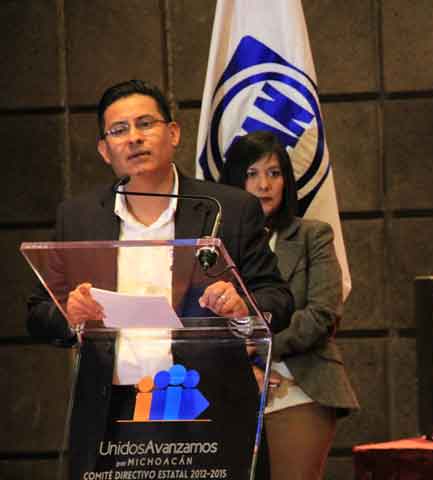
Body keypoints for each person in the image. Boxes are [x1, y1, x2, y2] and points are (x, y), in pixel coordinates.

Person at [26, 80, 291, 479]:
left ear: (174, 133)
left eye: (145, 124)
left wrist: (242, 305)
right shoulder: (78, 217)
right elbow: (38, 313)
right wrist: (68, 313)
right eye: (119, 130)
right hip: (113, 416)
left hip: (206, 412)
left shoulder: (229, 209)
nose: (134, 137)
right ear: (104, 150)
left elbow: (277, 297)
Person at [221, 131, 360, 480]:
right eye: (252, 173)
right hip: (227, 388)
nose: (264, 185)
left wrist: (262, 348)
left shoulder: (313, 235)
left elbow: (322, 315)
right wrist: (239, 360)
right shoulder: (212, 244)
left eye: (274, 173)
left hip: (298, 384)